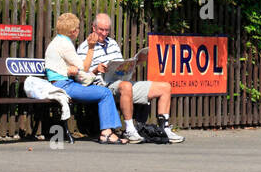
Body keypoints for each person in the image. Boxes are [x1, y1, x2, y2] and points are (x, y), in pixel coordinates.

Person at [75, 13, 183, 143]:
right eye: (101, 30)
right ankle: (129, 129)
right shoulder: (85, 47)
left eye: (107, 30)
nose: (104, 33)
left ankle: (164, 128)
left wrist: (135, 63)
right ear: (93, 28)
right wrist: (96, 69)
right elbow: (81, 76)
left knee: (165, 87)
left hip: (120, 81)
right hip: (102, 84)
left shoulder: (113, 44)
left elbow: (121, 69)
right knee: (126, 86)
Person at [45, 12, 127, 144]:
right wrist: (91, 48)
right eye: (77, 28)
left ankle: (108, 132)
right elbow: (84, 66)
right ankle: (106, 133)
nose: (79, 31)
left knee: (102, 92)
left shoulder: (57, 41)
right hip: (64, 85)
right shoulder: (65, 44)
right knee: (105, 93)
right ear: (72, 31)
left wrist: (70, 69)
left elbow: (64, 66)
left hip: (62, 82)